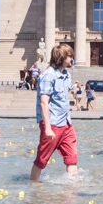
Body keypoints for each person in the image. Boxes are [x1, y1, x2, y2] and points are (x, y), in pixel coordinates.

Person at [30, 43, 78, 182]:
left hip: (66, 123)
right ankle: (33, 188)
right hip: (53, 124)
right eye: (70, 56)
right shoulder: (48, 76)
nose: (72, 59)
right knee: (42, 159)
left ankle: (72, 191)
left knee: (71, 157)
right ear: (62, 57)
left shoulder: (66, 75)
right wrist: (48, 128)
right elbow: (44, 102)